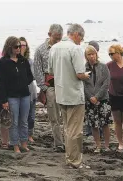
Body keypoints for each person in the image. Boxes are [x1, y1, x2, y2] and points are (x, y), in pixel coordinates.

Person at [48, 24, 90, 169]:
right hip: (73, 94)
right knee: (75, 130)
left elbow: (51, 71)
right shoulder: (76, 48)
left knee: (67, 127)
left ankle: (71, 157)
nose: (81, 41)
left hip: (61, 93)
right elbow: (79, 74)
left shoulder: (54, 48)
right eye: (82, 38)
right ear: (76, 34)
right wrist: (87, 75)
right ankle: (74, 160)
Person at [0, 36, 34, 153]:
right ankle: (15, 145)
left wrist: (22, 83)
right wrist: (3, 100)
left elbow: (30, 77)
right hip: (11, 96)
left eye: (20, 46)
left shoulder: (23, 60)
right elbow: (1, 83)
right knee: (14, 122)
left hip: (24, 95)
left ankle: (24, 143)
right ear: (9, 47)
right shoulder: (3, 62)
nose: (18, 49)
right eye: (16, 47)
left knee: (24, 121)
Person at [34, 24, 63, 151]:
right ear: (49, 34)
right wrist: (44, 88)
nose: (58, 40)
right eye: (56, 38)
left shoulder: (63, 48)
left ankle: (69, 142)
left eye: (60, 38)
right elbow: (37, 70)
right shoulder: (40, 50)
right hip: (50, 85)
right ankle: (59, 144)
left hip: (64, 84)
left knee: (67, 115)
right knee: (54, 116)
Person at [84, 44, 111, 153]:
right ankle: (98, 145)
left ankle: (107, 146)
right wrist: (90, 97)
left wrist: (97, 96)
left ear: (96, 54)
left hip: (103, 99)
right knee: (93, 124)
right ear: (86, 56)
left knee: (105, 123)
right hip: (90, 100)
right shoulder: (83, 68)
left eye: (93, 54)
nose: (92, 56)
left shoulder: (103, 66)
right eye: (89, 54)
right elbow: (83, 85)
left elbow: (106, 83)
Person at [107, 44, 123, 151]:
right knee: (117, 121)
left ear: (118, 53)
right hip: (114, 96)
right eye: (109, 54)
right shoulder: (109, 65)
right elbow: (105, 80)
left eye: (112, 53)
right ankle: (120, 143)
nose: (110, 56)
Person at [20, 37, 37, 143]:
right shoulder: (11, 61)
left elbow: (33, 76)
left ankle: (30, 135)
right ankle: (22, 135)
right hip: (18, 92)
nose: (21, 47)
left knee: (31, 115)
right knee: (21, 115)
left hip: (31, 91)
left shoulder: (30, 61)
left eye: (24, 45)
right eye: (19, 45)